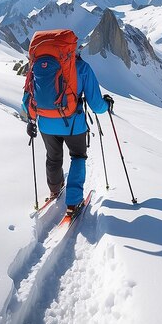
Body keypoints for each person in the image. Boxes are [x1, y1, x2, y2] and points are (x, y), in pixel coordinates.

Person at [26, 54, 114, 216]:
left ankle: (54, 190)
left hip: (46, 123)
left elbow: (28, 96)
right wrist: (107, 104)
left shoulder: (38, 66)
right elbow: (96, 105)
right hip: (73, 124)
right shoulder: (82, 67)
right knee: (78, 156)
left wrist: (31, 120)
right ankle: (73, 202)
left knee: (53, 157)